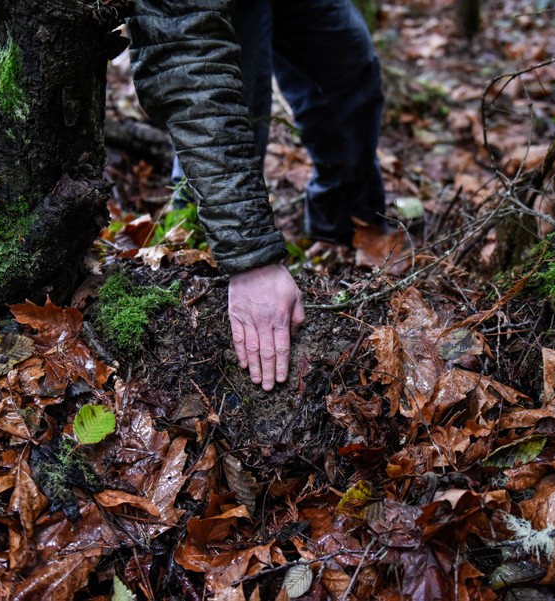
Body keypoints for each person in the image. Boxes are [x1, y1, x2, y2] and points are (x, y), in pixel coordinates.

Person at [125, 0, 386, 391]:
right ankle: (191, 265)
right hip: (202, 12)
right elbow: (195, 80)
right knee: (238, 103)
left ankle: (345, 240)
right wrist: (252, 261)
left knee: (350, 70)